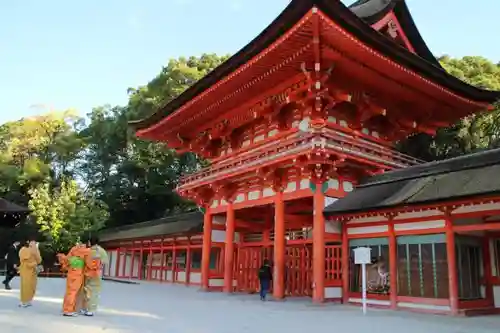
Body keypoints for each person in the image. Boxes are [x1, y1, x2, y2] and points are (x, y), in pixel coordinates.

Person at [57, 241, 90, 317]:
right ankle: (69, 310)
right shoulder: (86, 250)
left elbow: (67, 260)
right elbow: (90, 263)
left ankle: (65, 308)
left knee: (69, 291)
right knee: (73, 292)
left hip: (71, 272)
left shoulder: (73, 249)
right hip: (78, 273)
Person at [80, 235, 108, 316]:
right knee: (94, 292)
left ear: (90, 242)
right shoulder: (101, 251)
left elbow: (82, 261)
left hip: (87, 273)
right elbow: (104, 262)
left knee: (86, 290)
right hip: (96, 274)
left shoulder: (87, 250)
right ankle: (90, 309)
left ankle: (84, 308)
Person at [18, 238, 42, 307]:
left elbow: (39, 260)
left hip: (29, 269)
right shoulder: (30, 250)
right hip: (29, 269)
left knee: (29, 285)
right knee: (28, 285)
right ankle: (26, 301)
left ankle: (26, 300)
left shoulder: (25, 250)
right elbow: (38, 260)